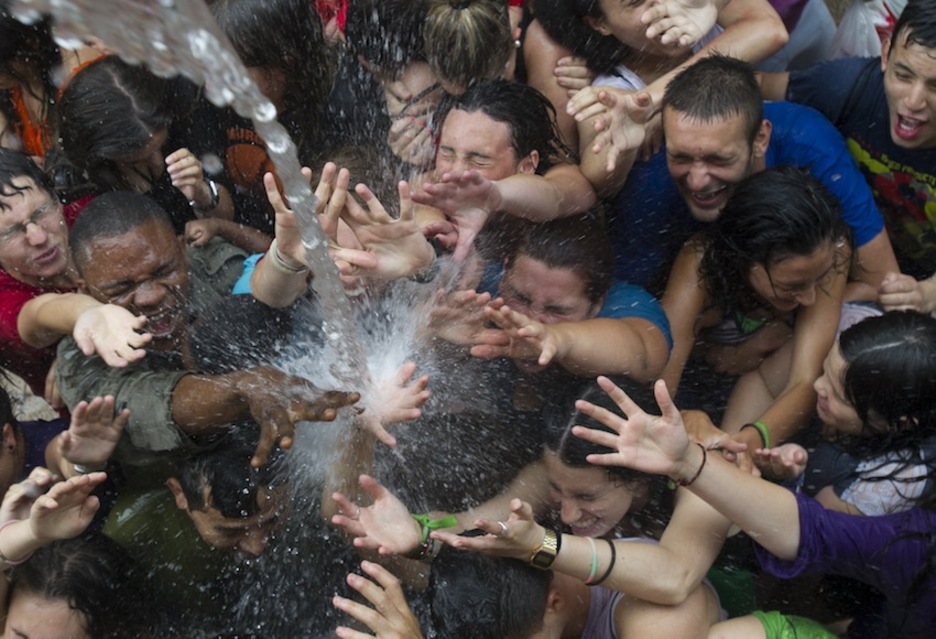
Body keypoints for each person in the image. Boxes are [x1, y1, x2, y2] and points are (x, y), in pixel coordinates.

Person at [572, 375, 936, 639]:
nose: (567, 514)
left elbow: (673, 578)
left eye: (585, 498)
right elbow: (814, 530)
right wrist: (689, 460)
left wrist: (540, 546)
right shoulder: (918, 546)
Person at [54, 191, 358, 470]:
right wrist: (246, 388)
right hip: (186, 479)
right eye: (122, 288)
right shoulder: (81, 356)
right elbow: (155, 404)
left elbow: (272, 291)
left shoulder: (209, 258)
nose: (150, 296)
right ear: (86, 289)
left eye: (163, 272)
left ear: (182, 250)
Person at [579, 54, 899, 295]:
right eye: (682, 158)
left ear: (761, 138)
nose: (698, 180)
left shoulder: (808, 144)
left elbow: (880, 282)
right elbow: (629, 301)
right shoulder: (653, 174)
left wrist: (772, 333)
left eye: (719, 159)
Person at [760, 0, 936, 314]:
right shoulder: (849, 86)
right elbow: (752, 87)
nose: (912, 101)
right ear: (885, 54)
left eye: (935, 87)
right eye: (903, 75)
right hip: (852, 263)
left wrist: (927, 293)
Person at [661, 166, 851, 456]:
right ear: (743, 260)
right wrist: (687, 419)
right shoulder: (700, 264)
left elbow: (806, 379)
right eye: (792, 286)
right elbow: (660, 386)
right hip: (700, 383)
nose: (810, 298)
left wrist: (746, 444)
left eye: (820, 279)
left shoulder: (831, 250)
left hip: (766, 392)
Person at [759, 311, 936, 517]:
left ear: (898, 422)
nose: (817, 385)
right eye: (824, 370)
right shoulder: (856, 331)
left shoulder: (893, 481)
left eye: (839, 396)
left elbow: (807, 529)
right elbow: (763, 380)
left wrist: (784, 476)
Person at [411, 79, 596, 261]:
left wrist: (494, 196)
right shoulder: (431, 186)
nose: (455, 173)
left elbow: (556, 196)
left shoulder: (564, 176)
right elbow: (421, 207)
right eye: (447, 153)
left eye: (479, 160)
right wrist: (434, 236)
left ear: (527, 165)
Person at [56, 56, 235, 232]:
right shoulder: (83, 181)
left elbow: (230, 220)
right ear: (102, 154)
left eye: (162, 146)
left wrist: (201, 193)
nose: (158, 162)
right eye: (136, 160)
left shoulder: (187, 118)